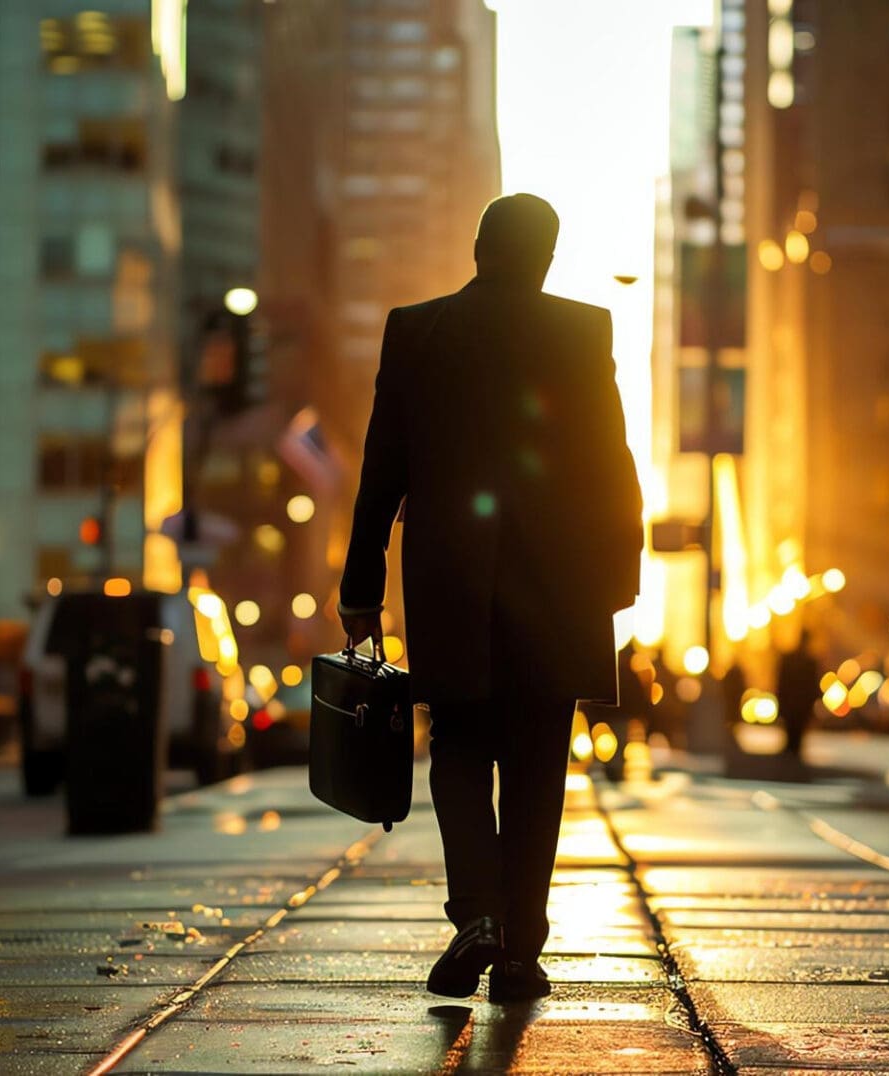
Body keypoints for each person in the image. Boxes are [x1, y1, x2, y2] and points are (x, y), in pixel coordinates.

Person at [338, 194, 643, 1003]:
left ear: (477, 247)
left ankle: (476, 912)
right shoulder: (584, 332)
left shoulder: (417, 330)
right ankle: (519, 954)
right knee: (541, 761)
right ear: (548, 257)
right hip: (561, 587)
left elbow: (382, 470)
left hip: (452, 584)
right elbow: (613, 464)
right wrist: (621, 578)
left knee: (461, 749)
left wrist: (360, 586)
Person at [775, 629, 821, 760]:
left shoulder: (791, 659)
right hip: (800, 706)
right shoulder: (809, 662)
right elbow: (813, 687)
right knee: (796, 736)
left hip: (794, 705)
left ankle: (790, 759)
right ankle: (792, 759)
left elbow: (782, 684)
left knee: (792, 735)